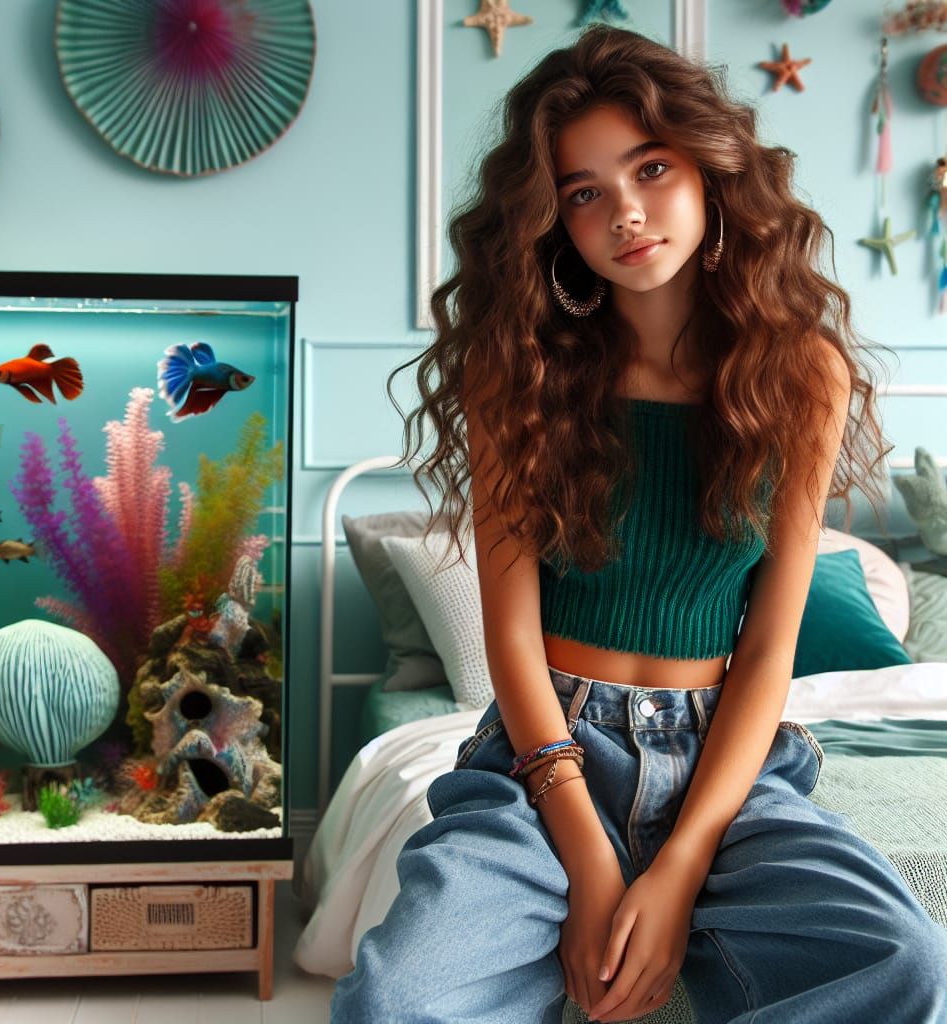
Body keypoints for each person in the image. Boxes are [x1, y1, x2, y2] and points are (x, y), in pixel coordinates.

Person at [330, 24, 947, 1024]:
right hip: (545, 755)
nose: (624, 212)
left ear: (710, 171)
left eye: (651, 168)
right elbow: (511, 639)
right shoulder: (518, 372)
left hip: (725, 761)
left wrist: (681, 862)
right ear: (553, 220)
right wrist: (588, 855)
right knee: (395, 998)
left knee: (903, 959)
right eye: (583, 192)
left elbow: (768, 649)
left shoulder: (803, 375)